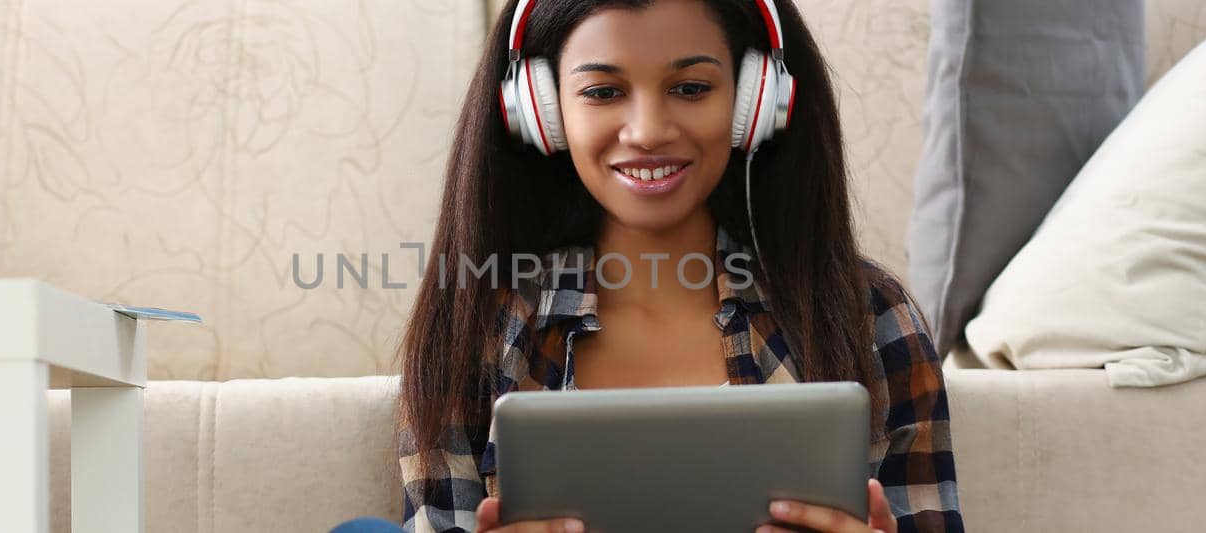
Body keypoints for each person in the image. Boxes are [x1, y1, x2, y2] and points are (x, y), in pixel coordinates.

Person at [386, 1, 964, 531]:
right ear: (539, 110)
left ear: (756, 101)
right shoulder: (477, 325)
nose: (649, 132)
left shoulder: (870, 317)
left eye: (690, 87)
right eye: (603, 92)